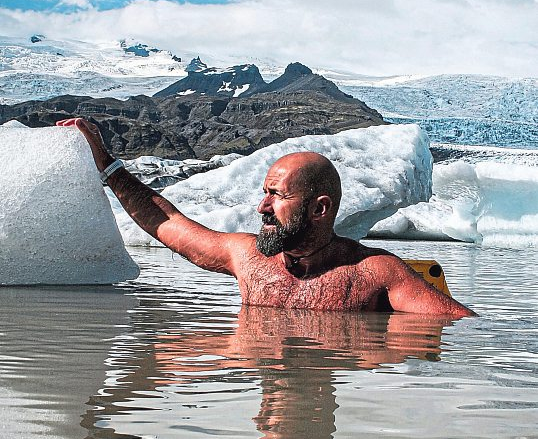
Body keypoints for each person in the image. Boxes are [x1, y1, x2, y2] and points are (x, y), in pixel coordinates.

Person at [57, 118, 474, 316]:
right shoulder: (247, 257)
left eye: (276, 196)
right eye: (264, 195)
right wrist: (108, 166)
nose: (262, 208)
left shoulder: (376, 272)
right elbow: (167, 222)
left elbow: (460, 327)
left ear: (319, 208)